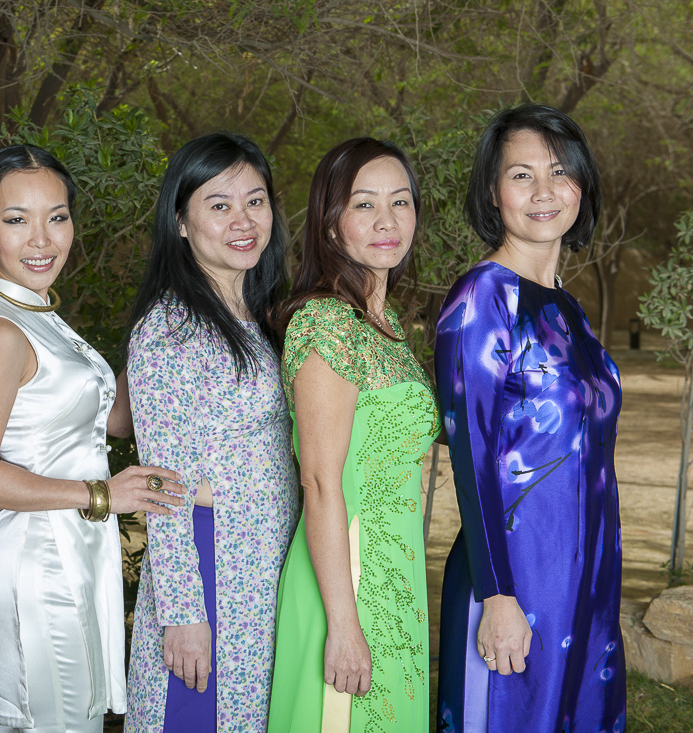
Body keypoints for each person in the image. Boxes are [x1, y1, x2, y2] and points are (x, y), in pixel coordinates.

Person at [0, 144, 184, 733]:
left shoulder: (40, 317)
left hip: (74, 555)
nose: (42, 239)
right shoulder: (1, 334)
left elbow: (109, 422)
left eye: (57, 217)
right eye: (16, 219)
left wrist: (171, 311)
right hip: (38, 568)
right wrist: (103, 495)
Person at [434, 105, 625, 731]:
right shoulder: (483, 300)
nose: (545, 192)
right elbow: (472, 458)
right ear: (493, 191)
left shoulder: (568, 307)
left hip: (585, 584)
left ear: (582, 185)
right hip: (515, 585)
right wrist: (498, 597)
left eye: (560, 171)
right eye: (521, 175)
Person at [123, 132, 299, 733]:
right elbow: (165, 486)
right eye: (219, 205)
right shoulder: (170, 329)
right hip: (209, 560)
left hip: (268, 563)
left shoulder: (265, 317)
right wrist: (182, 614)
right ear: (180, 221)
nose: (242, 220)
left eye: (255, 201)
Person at [267, 138, 439, 732]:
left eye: (400, 202)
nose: (387, 221)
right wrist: (343, 624)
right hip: (350, 576)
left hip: (399, 570)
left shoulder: (383, 324)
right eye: (364, 204)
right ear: (330, 222)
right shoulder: (326, 323)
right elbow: (319, 482)